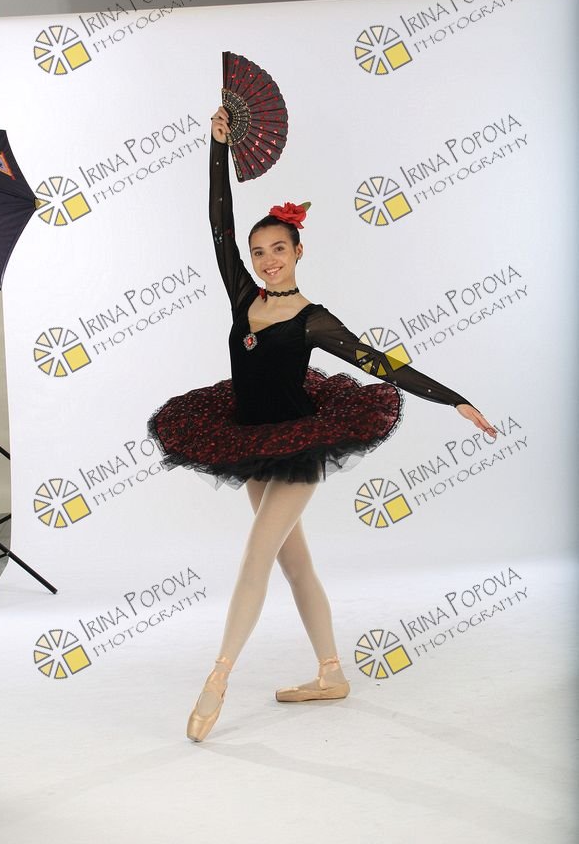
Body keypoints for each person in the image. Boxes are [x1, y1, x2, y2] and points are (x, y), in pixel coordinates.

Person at [148, 104, 496, 743]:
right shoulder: (242, 296)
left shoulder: (314, 319)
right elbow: (218, 224)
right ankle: (331, 673)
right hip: (248, 439)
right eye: (258, 253)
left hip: (298, 443)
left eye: (277, 250)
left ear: (298, 251)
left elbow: (377, 362)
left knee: (255, 557)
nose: (266, 261)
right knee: (294, 563)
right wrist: (217, 148)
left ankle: (217, 678)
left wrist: (453, 399)